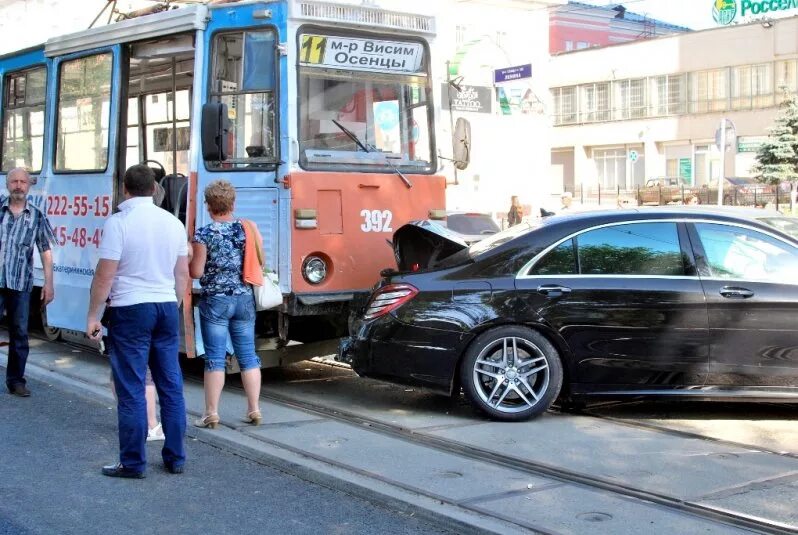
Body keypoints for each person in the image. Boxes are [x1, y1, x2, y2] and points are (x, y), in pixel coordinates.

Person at [87, 164, 189, 478]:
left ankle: (132, 463)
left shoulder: (119, 223)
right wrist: (175, 305)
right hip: (165, 306)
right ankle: (175, 457)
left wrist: (93, 314)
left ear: (125, 190)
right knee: (171, 385)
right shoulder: (173, 223)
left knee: (131, 388)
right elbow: (182, 274)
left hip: (130, 309)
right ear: (155, 189)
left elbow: (105, 276)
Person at [189, 179, 262, 429]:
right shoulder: (247, 230)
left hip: (216, 301)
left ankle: (211, 413)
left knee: (215, 359)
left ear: (209, 205)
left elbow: (196, 272)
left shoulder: (204, 234)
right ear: (233, 203)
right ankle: (254, 409)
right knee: (248, 356)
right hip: (244, 298)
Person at [1, 168, 56, 397]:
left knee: (20, 334)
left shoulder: (36, 215)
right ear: (7, 184)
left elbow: (45, 251)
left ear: (29, 185)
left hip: (21, 283)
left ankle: (16, 381)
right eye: (14, 181)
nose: (18, 185)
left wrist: (49, 283)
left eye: (23, 181)